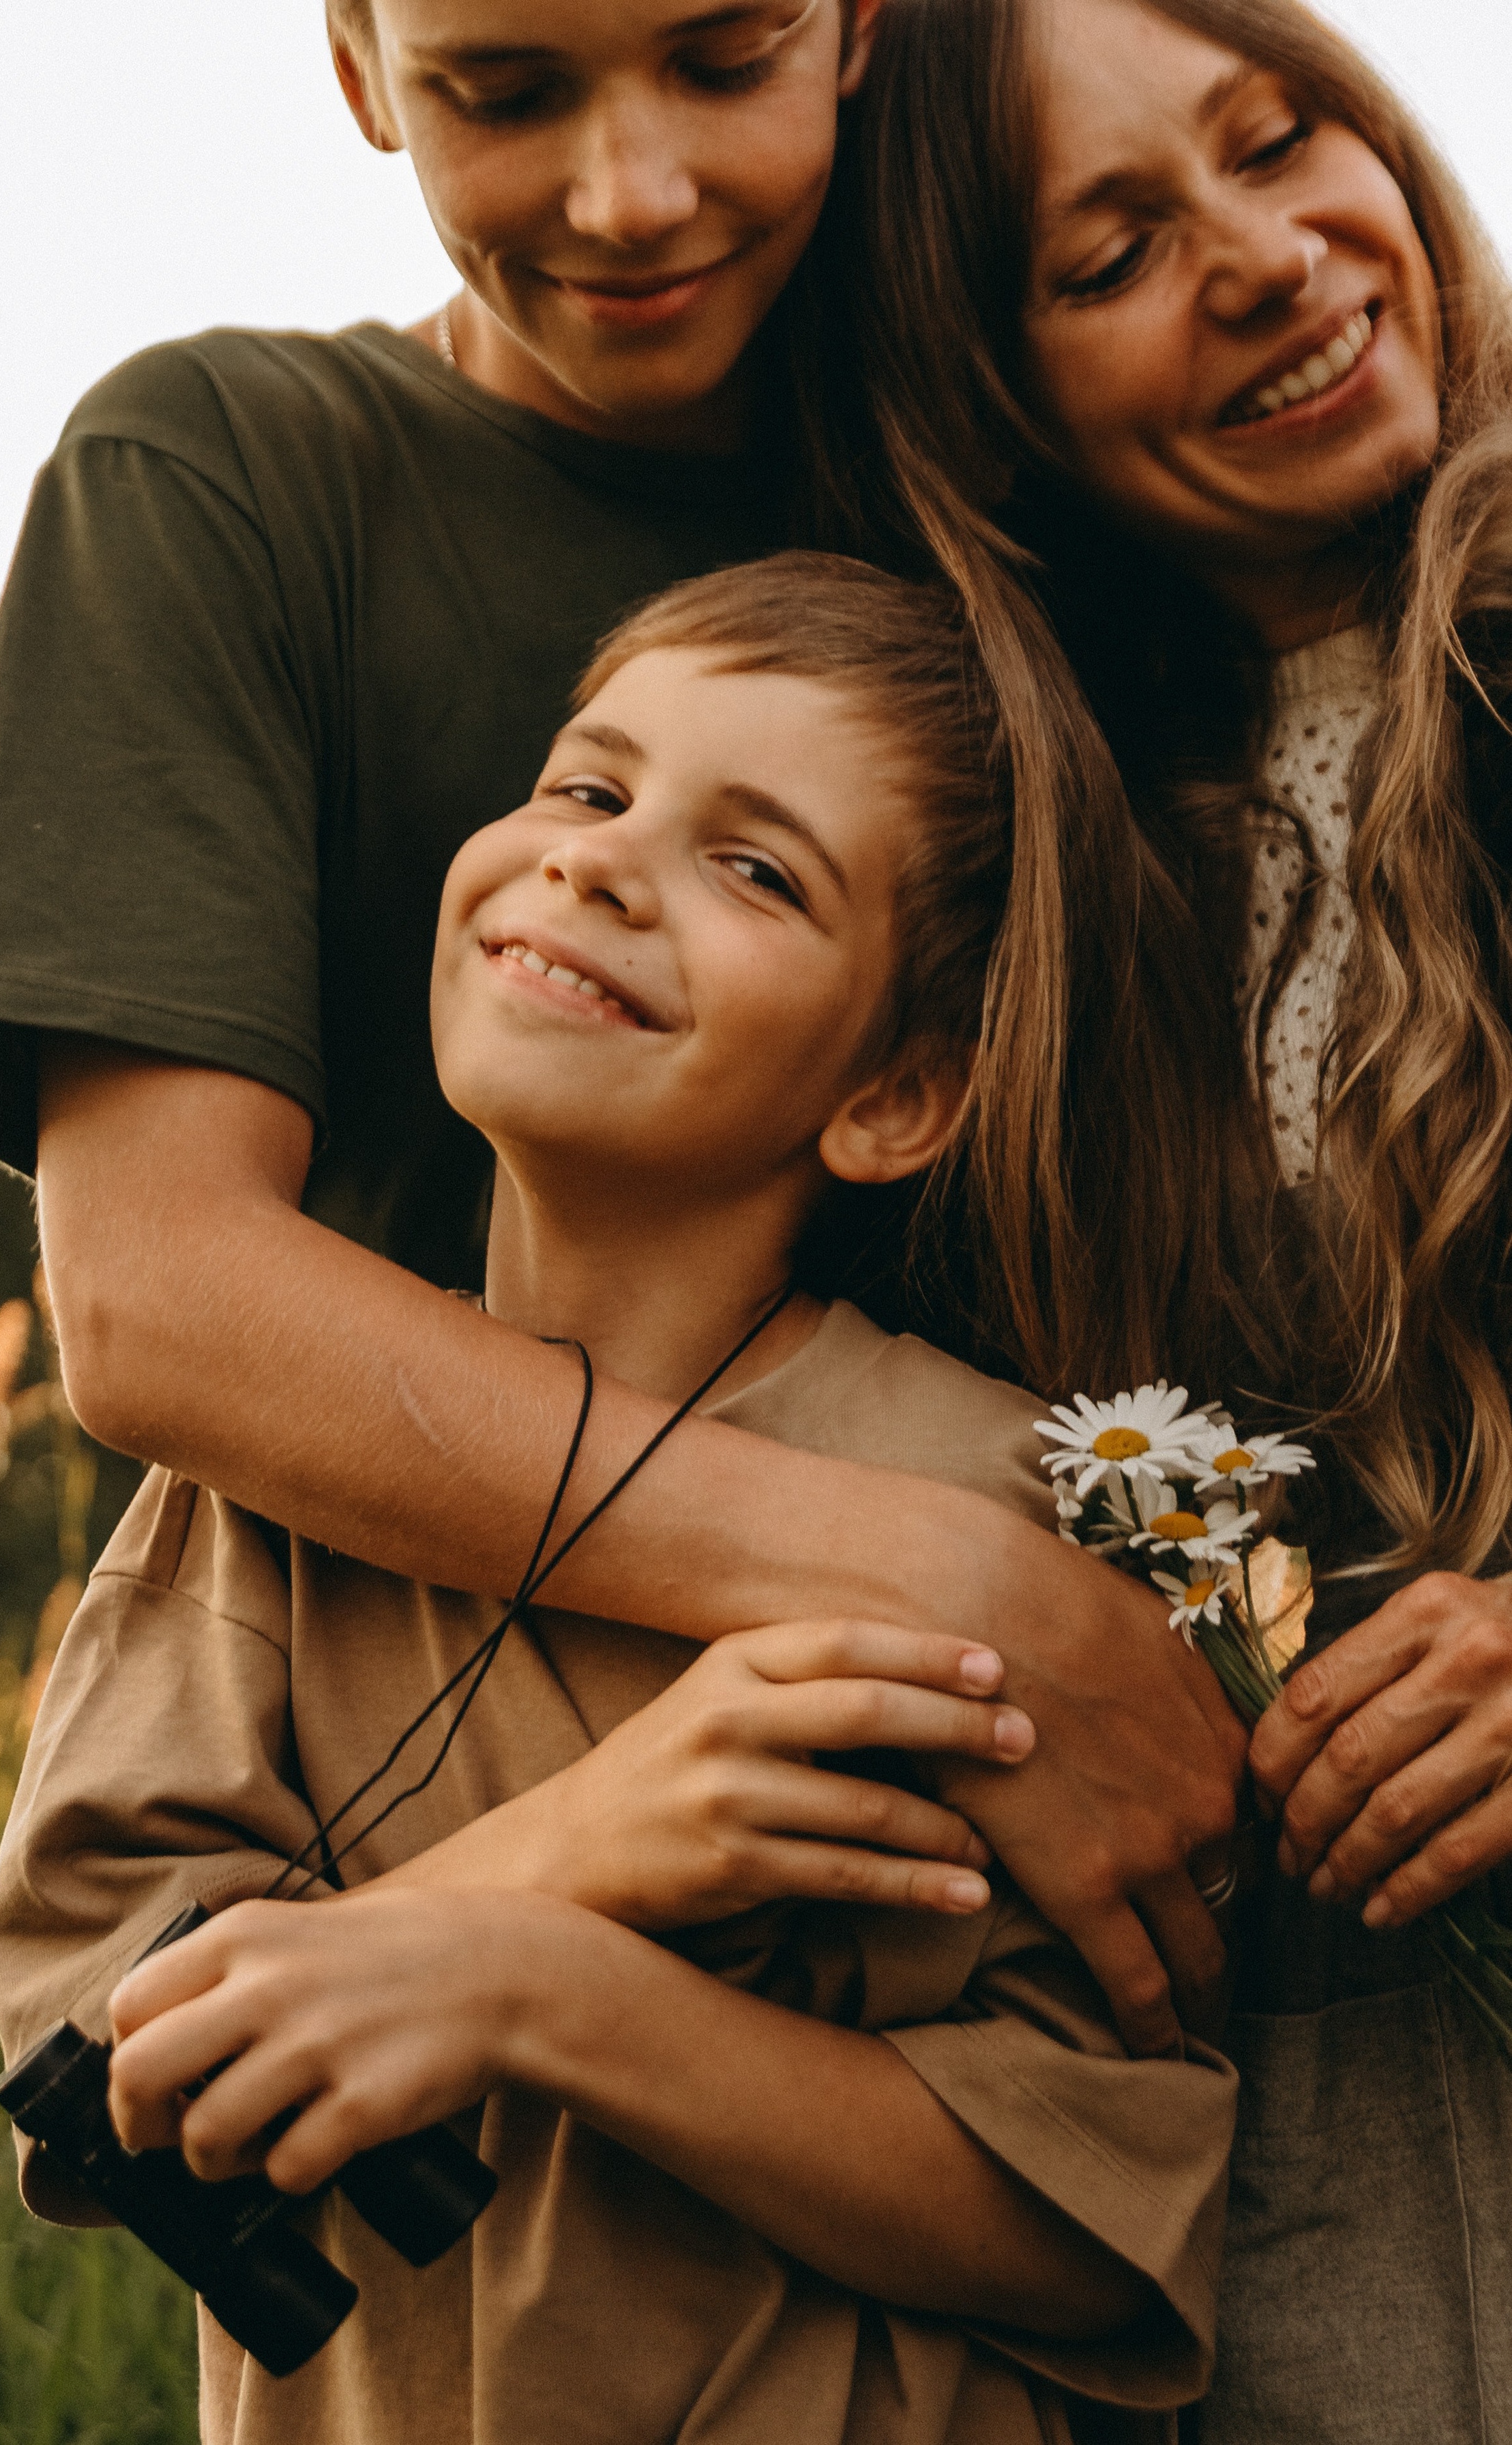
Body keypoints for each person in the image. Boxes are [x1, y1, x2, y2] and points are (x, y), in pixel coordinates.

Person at [0, 0, 1245, 2054]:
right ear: (357, 67)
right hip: (417, 1821)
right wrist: (953, 1598)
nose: (633, 195)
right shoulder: (226, 479)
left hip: (1006, 1941)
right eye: (505, 92)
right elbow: (163, 1291)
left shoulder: (1030, 472)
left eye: (725, 56)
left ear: (861, 23)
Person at [0, 554, 1238, 2445]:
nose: (600, 859)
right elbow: (110, 2088)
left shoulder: (1003, 1526)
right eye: (588, 783)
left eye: (761, 867)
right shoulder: (265, 1480)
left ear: (895, 1095)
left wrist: (550, 1989)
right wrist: (577, 1854)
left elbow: (1099, 2227)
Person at [797, 1, 1512, 2434]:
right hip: (1301, 2149)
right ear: (993, 401)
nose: (1261, 255)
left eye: (1279, 136)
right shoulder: (1038, 920)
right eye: (1113, 248)